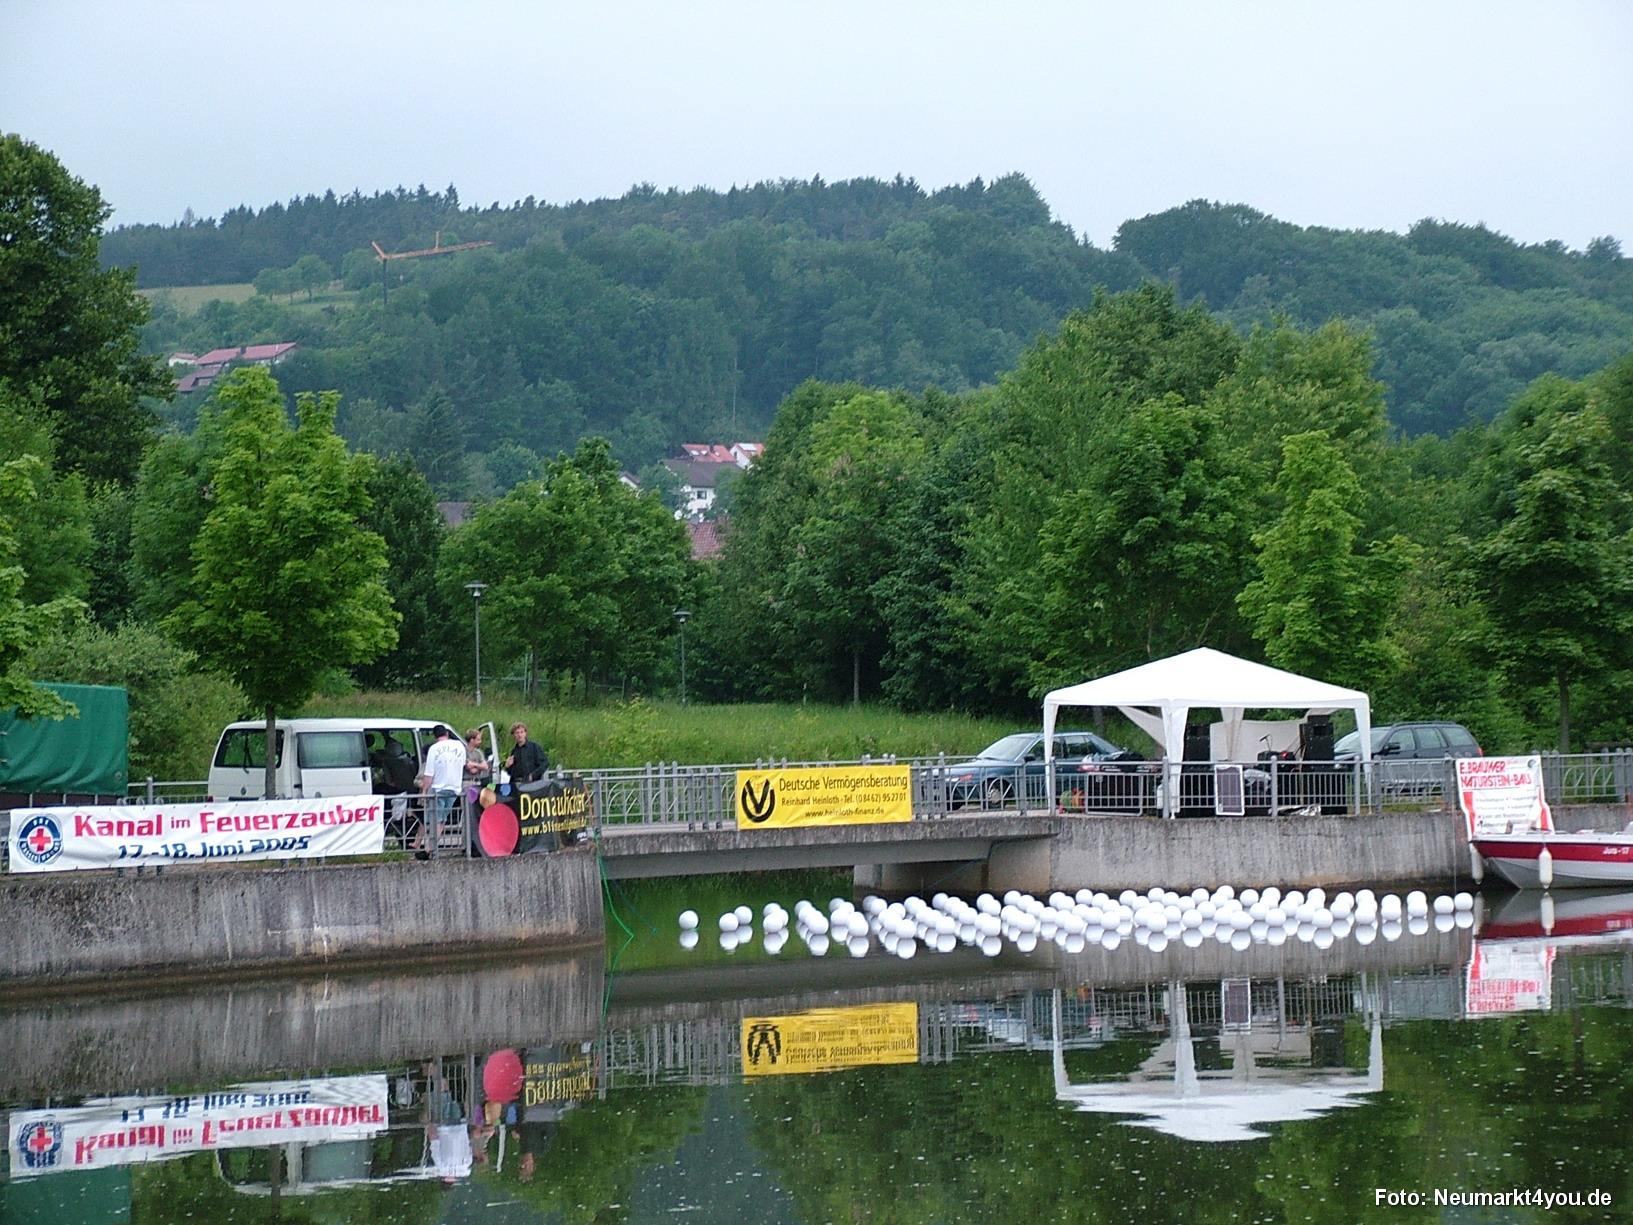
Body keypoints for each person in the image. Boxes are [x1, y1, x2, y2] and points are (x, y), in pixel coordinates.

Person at [417, 725, 465, 857]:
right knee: (442, 820)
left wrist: (424, 791)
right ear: (447, 733)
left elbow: (429, 774)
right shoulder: (460, 746)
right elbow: (462, 764)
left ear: (435, 736)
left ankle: (429, 848)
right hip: (454, 788)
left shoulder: (434, 749)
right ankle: (432, 847)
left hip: (438, 788)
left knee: (434, 820)